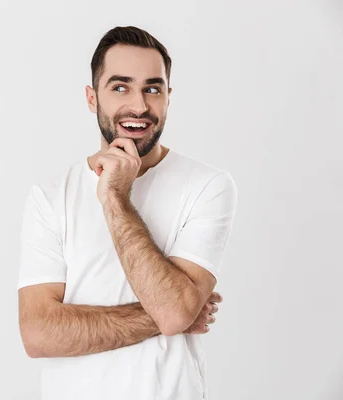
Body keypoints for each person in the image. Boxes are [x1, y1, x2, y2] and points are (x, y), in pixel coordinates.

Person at [17, 25, 238, 400]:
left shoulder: (208, 185)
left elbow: (173, 312)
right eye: (120, 87)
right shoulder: (51, 196)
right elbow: (38, 333)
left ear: (168, 96)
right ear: (92, 98)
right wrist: (172, 313)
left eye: (153, 88)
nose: (138, 106)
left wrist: (115, 197)